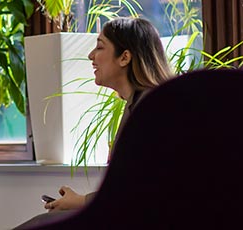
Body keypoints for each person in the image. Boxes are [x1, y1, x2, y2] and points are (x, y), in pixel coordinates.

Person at [14, 17, 174, 229]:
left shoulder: (151, 109)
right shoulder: (138, 104)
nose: (91, 56)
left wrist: (81, 202)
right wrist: (81, 201)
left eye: (100, 47)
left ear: (125, 57)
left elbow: (143, 191)